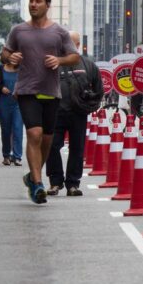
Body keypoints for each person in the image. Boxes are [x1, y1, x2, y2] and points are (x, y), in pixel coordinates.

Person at [0, 0, 81, 204]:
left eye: (38, 1)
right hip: (26, 90)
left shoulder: (59, 32)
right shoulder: (18, 31)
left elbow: (74, 56)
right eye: (31, 1)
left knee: (47, 139)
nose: (33, 4)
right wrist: (11, 56)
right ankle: (37, 184)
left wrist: (59, 60)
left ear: (47, 5)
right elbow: (4, 53)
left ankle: (32, 175)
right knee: (34, 134)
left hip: (51, 92)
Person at [45, 31, 102, 197]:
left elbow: (98, 89)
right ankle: (55, 182)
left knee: (77, 148)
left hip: (78, 113)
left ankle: (73, 184)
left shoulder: (88, 65)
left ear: (77, 45)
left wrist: (91, 105)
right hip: (55, 112)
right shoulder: (53, 64)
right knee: (52, 146)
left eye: (71, 43)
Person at [0, 60, 23, 166]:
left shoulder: (22, 69)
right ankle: (6, 155)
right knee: (6, 130)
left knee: (18, 128)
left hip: (18, 103)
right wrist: (1, 88)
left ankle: (17, 156)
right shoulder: (0, 69)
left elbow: (28, 82)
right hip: (4, 102)